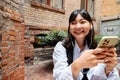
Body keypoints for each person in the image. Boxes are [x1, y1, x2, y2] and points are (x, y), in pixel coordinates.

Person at [52, 9, 120, 80]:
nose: (78, 27)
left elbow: (98, 76)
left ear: (90, 25)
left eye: (82, 22)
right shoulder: (61, 47)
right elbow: (59, 77)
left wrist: (108, 69)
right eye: (73, 23)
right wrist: (78, 65)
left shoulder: (97, 48)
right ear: (69, 28)